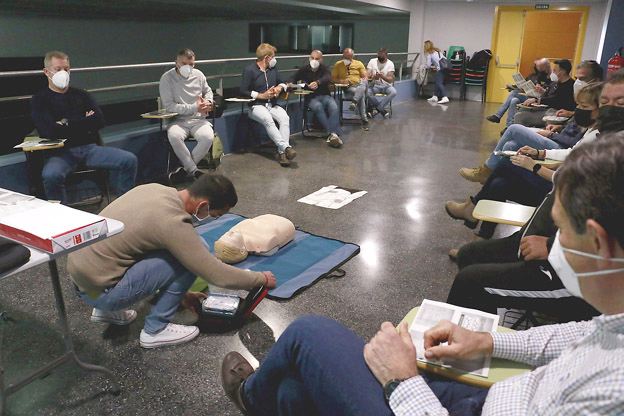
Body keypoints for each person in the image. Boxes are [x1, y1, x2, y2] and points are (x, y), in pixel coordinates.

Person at [221, 133, 624, 415]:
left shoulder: (611, 395)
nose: (553, 242)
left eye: (560, 231)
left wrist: (402, 381)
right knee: (293, 394)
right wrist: (487, 341)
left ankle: (249, 397)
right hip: (492, 402)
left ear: (597, 242)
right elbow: (579, 335)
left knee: (307, 334)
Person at [67, 174, 277, 349]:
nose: (214, 218)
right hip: (103, 293)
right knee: (192, 254)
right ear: (203, 205)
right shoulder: (172, 221)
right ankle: (155, 330)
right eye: (215, 214)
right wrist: (260, 278)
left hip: (82, 284)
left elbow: (138, 243)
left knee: (157, 247)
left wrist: (182, 294)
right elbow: (216, 274)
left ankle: (105, 311)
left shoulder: (154, 189)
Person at [446, 190, 598, 322]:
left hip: (576, 277)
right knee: (468, 255)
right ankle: (482, 333)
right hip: (545, 241)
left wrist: (552, 245)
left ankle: (475, 341)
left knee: (470, 282)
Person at [31, 51, 137, 204]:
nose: (63, 73)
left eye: (66, 69)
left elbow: (99, 121)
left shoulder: (82, 95)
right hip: (60, 154)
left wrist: (65, 123)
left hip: (89, 149)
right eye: (58, 69)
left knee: (129, 160)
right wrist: (84, 121)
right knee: (51, 175)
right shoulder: (39, 100)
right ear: (47, 72)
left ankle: (124, 205)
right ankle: (61, 214)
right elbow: (48, 131)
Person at [459, 82, 603, 184]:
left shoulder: (597, 134)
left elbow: (572, 146)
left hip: (559, 145)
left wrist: (550, 139)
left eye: (583, 106)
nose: (578, 109)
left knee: (514, 128)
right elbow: (573, 134)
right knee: (510, 145)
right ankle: (493, 179)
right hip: (558, 140)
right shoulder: (590, 126)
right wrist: (558, 128)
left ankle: (487, 170)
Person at [159, 48, 215, 183]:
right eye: (184, 64)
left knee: (208, 137)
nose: (188, 67)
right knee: (174, 136)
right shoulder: (167, 78)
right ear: (176, 63)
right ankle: (194, 170)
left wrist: (208, 102)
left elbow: (208, 91)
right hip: (177, 121)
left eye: (191, 64)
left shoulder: (199, 75)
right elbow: (169, 106)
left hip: (199, 120)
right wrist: (194, 107)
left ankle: (185, 170)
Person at [241, 43, 294, 167]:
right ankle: (286, 147)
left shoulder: (273, 69)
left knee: (285, 118)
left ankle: (282, 152)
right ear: (266, 58)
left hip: (272, 104)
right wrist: (261, 95)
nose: (274, 59)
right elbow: (243, 90)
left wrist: (279, 88)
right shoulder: (250, 70)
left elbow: (283, 82)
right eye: (273, 56)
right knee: (268, 119)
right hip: (256, 106)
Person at [291, 50, 343, 148]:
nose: (314, 60)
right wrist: (292, 84)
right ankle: (332, 133)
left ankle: (332, 134)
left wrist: (318, 82)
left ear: (321, 59)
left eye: (317, 58)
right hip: (311, 98)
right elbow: (293, 78)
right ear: (309, 58)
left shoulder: (324, 69)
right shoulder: (304, 69)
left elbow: (328, 77)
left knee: (334, 106)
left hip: (325, 96)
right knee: (318, 107)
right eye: (312, 58)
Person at [485, 58, 553, 126]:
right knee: (514, 100)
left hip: (537, 98)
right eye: (537, 65)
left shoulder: (548, 77)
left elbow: (548, 90)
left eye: (540, 66)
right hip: (527, 95)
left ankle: (498, 116)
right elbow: (523, 86)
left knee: (514, 93)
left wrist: (542, 89)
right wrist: (512, 87)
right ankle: (509, 125)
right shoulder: (532, 75)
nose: (538, 67)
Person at [512, 59, 576, 128]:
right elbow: (548, 94)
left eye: (555, 70)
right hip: (546, 108)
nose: (553, 72)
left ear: (563, 72)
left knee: (520, 116)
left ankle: (516, 131)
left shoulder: (571, 85)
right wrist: (541, 92)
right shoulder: (555, 83)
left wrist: (537, 100)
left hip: (556, 112)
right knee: (522, 109)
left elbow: (556, 100)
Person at [331, 48, 369, 130]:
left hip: (359, 85)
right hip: (348, 88)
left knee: (363, 83)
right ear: (343, 56)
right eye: (346, 57)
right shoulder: (338, 64)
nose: (347, 59)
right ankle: (364, 119)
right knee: (361, 94)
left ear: (353, 56)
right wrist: (341, 81)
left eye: (349, 57)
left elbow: (365, 76)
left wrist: (363, 79)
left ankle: (355, 102)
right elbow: (333, 78)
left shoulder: (358, 63)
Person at [366, 48, 396, 118]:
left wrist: (382, 76)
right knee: (366, 92)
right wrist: (373, 77)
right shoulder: (372, 61)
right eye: (379, 56)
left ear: (386, 56)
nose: (380, 58)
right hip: (374, 85)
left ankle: (377, 109)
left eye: (382, 57)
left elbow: (390, 80)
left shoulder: (390, 64)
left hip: (386, 86)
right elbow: (367, 75)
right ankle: (381, 109)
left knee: (393, 92)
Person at [423, 40, 450, 104]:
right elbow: (441, 59)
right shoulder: (437, 51)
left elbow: (428, 65)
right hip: (446, 68)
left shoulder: (429, 54)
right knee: (437, 82)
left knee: (439, 83)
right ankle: (435, 97)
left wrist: (423, 66)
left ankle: (445, 97)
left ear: (426, 47)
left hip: (440, 69)